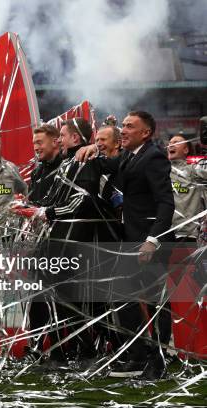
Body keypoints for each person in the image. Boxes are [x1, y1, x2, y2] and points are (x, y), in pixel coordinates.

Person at [13, 118, 121, 367]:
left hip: (78, 240)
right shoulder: (65, 164)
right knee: (58, 297)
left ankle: (88, 351)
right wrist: (30, 208)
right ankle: (64, 350)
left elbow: (81, 201)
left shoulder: (85, 161)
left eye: (62, 135)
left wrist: (45, 213)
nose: (60, 139)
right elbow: (55, 200)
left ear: (75, 138)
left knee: (77, 298)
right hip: (59, 239)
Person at [76, 110, 175, 380]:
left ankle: (159, 361)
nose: (124, 130)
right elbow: (109, 165)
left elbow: (166, 203)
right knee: (122, 296)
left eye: (130, 126)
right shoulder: (131, 157)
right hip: (131, 240)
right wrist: (90, 148)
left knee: (156, 303)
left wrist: (152, 240)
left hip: (149, 241)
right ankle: (140, 353)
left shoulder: (153, 156)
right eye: (123, 125)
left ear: (146, 132)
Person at [24, 124, 61, 357]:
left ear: (55, 141)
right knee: (36, 294)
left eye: (40, 142)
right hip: (39, 243)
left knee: (61, 296)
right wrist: (24, 207)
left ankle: (61, 347)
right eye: (34, 142)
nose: (36, 147)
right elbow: (34, 204)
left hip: (61, 241)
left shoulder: (67, 167)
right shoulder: (37, 172)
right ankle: (35, 345)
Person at [167, 135, 207, 242]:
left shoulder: (193, 170)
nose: (171, 145)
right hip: (164, 233)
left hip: (187, 234)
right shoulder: (161, 171)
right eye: (170, 143)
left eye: (176, 142)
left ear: (186, 150)